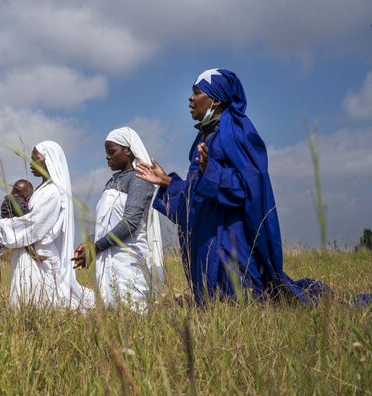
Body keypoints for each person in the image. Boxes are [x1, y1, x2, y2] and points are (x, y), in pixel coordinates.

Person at [136, 68, 327, 305]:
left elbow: (250, 188)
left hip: (229, 243)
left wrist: (211, 172)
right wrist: (167, 182)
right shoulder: (205, 137)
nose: (190, 98)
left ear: (215, 99)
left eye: (197, 93)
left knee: (241, 304)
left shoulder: (236, 131)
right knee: (210, 308)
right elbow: (196, 200)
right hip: (207, 240)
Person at [0, 141, 94, 308]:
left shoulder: (52, 192)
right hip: (31, 252)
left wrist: (1, 225)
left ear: (49, 160)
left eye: (36, 159)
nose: (31, 163)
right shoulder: (41, 189)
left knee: (45, 303)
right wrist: (1, 233)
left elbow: (34, 225)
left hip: (41, 256)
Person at [73, 127, 164, 310]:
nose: (108, 157)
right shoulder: (112, 182)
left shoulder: (139, 179)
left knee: (133, 311)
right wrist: (91, 241)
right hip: (108, 258)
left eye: (112, 152)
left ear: (128, 151)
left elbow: (130, 223)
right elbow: (107, 223)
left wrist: (96, 247)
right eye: (106, 153)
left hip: (128, 262)